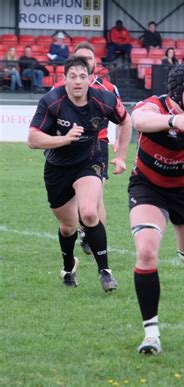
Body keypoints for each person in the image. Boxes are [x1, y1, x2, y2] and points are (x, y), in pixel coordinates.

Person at [128, 63, 184, 355]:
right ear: (177, 93)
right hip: (148, 187)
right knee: (146, 251)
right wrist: (174, 122)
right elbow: (138, 119)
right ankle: (151, 334)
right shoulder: (155, 107)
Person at [27, 56, 132, 292]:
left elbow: (126, 121)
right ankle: (68, 266)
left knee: (88, 213)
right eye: (72, 76)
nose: (77, 81)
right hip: (57, 167)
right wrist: (63, 139)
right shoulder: (52, 101)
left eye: (82, 76)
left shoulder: (104, 98)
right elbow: (32, 140)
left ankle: (105, 271)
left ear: (90, 79)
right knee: (68, 227)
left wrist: (122, 154)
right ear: (64, 79)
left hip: (89, 161)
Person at [53, 41, 131, 255]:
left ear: (95, 62)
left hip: (99, 144)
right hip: (67, 147)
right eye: (81, 58)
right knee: (75, 198)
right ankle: (83, 230)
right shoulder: (63, 87)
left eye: (89, 58)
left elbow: (121, 116)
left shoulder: (108, 88)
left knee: (96, 197)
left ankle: (95, 241)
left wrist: (118, 144)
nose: (85, 62)